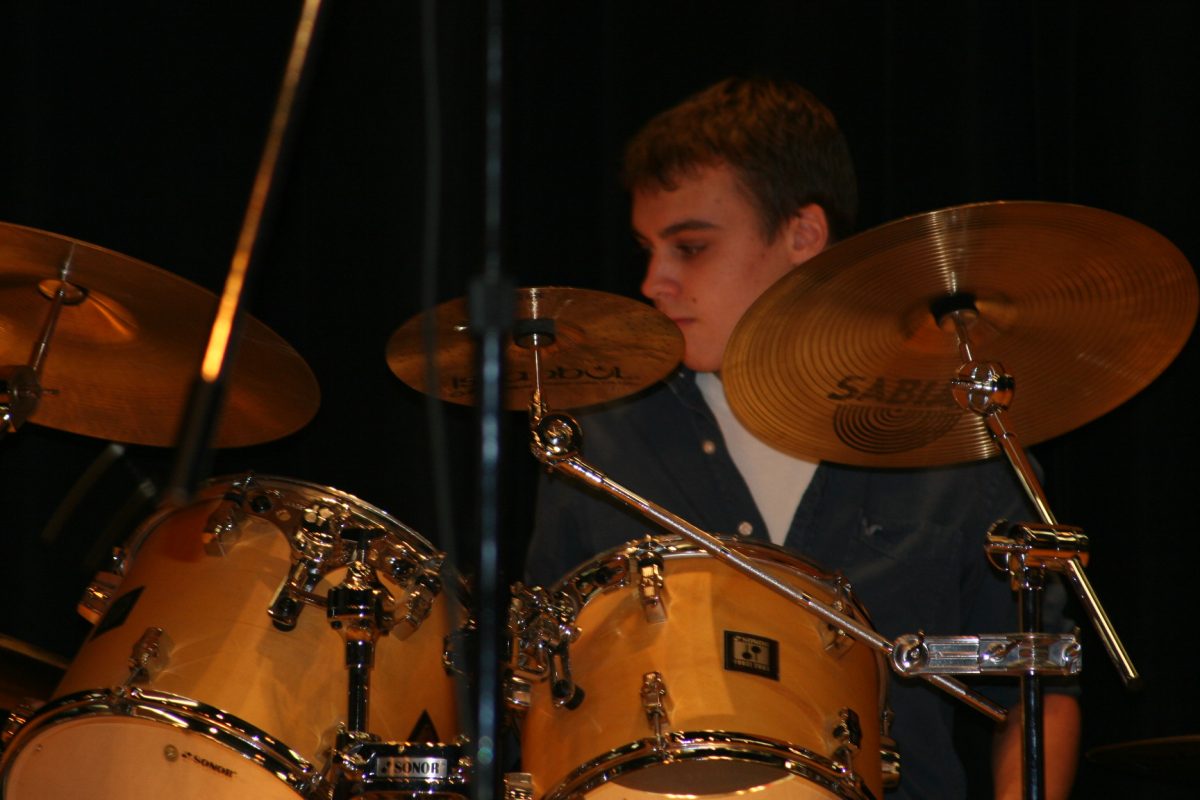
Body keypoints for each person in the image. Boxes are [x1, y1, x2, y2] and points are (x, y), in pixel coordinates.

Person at [525, 77, 1080, 799]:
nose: (654, 281)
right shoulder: (598, 443)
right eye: (647, 249)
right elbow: (532, 689)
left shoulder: (951, 440)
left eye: (690, 247)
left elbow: (1039, 693)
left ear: (803, 237)